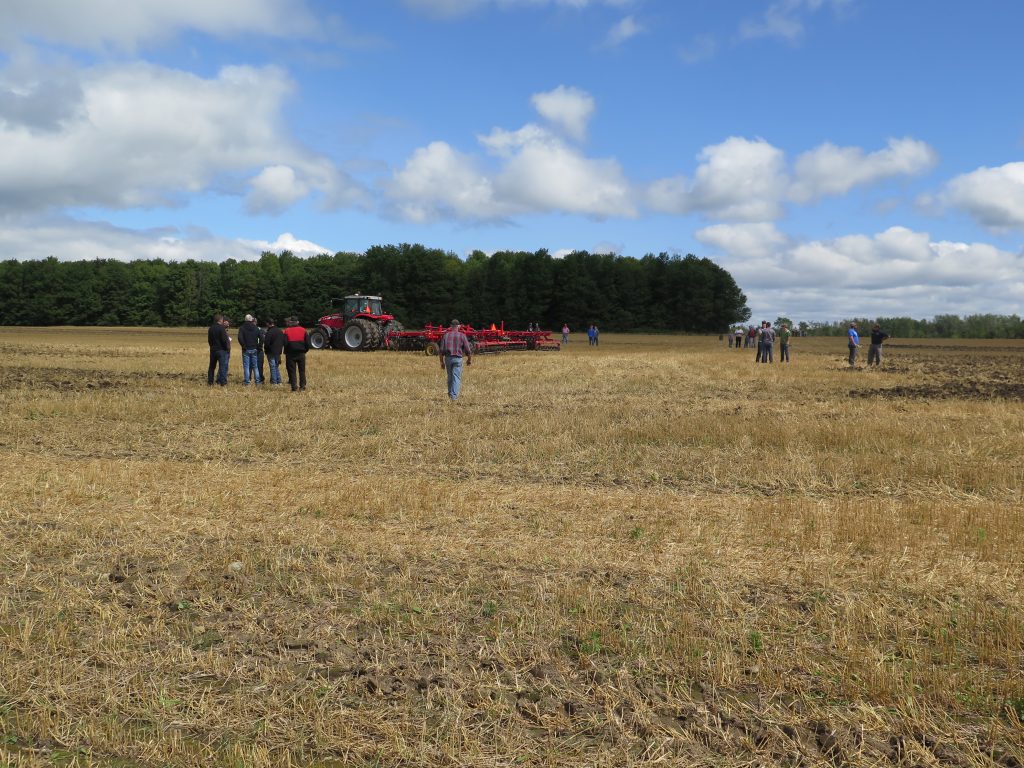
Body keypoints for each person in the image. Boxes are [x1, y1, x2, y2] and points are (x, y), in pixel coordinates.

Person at [439, 319, 473, 401]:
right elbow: (468, 350)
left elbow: (441, 351)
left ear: (451, 326)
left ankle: (450, 394)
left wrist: (441, 362)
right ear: (459, 326)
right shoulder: (462, 335)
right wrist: (469, 359)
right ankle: (453, 396)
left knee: (450, 377)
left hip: (448, 358)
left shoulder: (446, 335)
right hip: (458, 359)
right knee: (456, 377)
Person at [283, 316, 311, 391]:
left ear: (291, 322)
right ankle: (302, 386)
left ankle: (294, 386)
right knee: (302, 371)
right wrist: (304, 350)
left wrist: (286, 351)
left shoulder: (287, 331)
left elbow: (285, 343)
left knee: (292, 371)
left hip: (290, 354)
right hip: (301, 353)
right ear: (298, 322)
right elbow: (308, 343)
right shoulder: (303, 330)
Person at [237, 314, 263, 385]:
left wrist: (243, 345)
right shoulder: (256, 328)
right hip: (254, 349)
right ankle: (257, 382)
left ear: (245, 320)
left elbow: (240, 338)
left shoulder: (242, 328)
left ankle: (247, 382)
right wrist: (259, 346)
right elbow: (261, 337)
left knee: (246, 366)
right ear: (251, 320)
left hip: (246, 349)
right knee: (255, 366)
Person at [207, 313, 230, 386]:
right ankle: (223, 382)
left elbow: (209, 340)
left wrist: (212, 346)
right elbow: (224, 340)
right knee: (222, 367)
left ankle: (210, 382)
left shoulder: (211, 328)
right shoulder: (221, 328)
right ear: (220, 320)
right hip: (221, 350)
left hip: (213, 350)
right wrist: (226, 348)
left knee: (212, 367)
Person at [263, 317, 285, 385]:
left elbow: (266, 343)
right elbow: (283, 341)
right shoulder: (280, 331)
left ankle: (274, 382)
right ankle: (279, 381)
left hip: (271, 351)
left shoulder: (269, 332)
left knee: (272, 367)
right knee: (276, 366)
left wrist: (266, 350)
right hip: (278, 352)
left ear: (268, 323)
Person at [256, 319, 267, 384]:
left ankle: (259, 378)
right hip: (259, 349)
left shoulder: (261, 330)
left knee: (257, 365)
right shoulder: (262, 330)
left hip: (257, 348)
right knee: (259, 365)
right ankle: (260, 378)